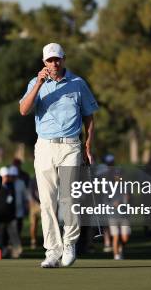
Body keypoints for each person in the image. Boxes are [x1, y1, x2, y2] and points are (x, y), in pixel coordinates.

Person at [19, 42, 98, 268]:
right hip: (44, 146)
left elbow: (89, 117)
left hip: (71, 146)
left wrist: (88, 146)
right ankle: (52, 251)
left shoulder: (78, 83)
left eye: (57, 59)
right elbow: (24, 110)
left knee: (68, 198)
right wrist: (39, 85)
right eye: (49, 60)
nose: (54, 63)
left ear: (63, 59)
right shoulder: (36, 83)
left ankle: (70, 243)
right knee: (47, 202)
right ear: (44, 62)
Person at [0, 167, 22, 258]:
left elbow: (12, 202)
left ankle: (16, 253)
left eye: (8, 176)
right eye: (6, 176)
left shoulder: (11, 186)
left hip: (10, 217)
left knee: (14, 235)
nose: (7, 178)